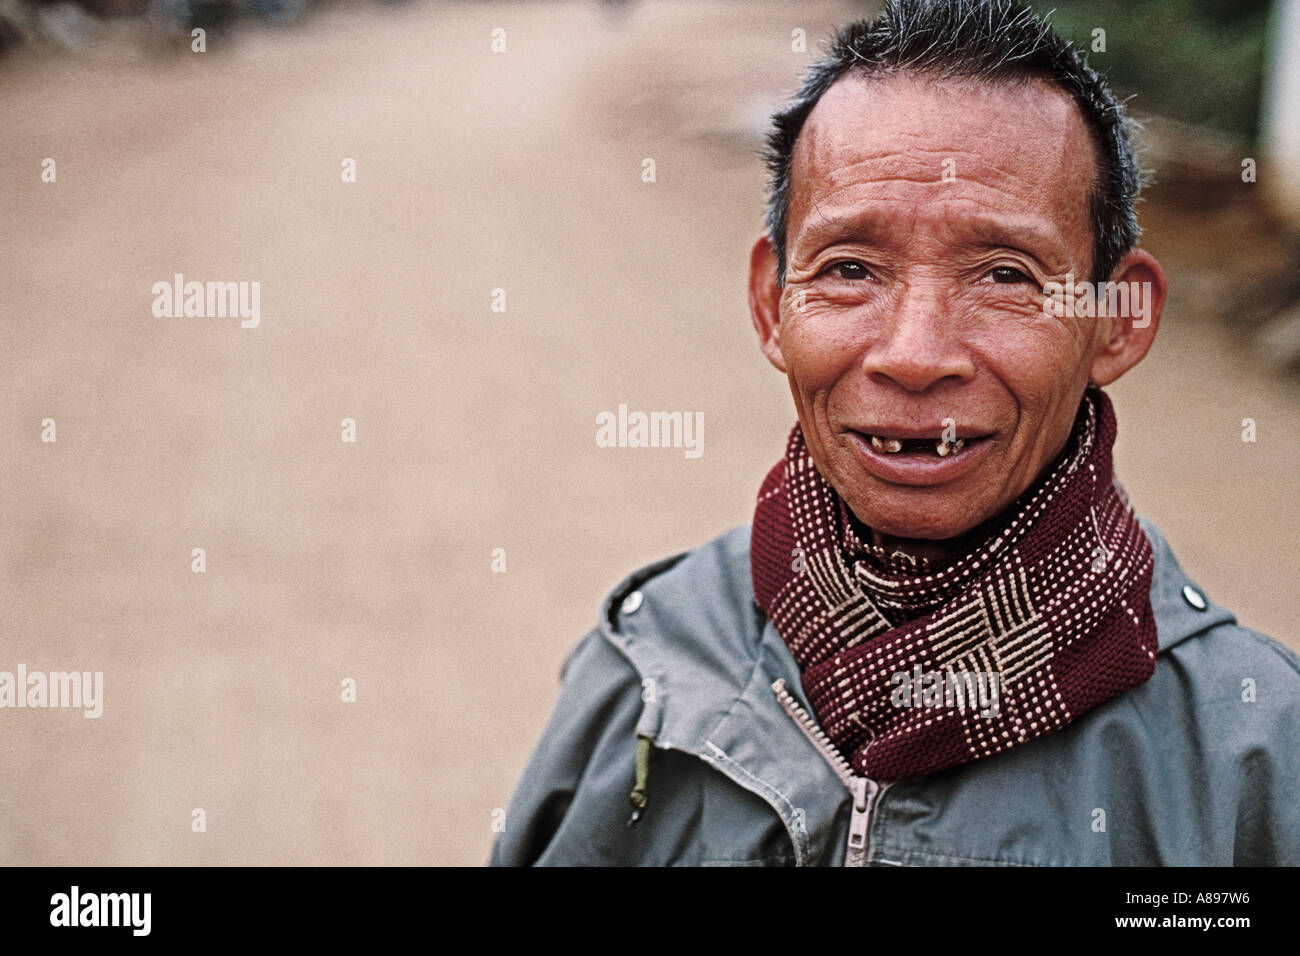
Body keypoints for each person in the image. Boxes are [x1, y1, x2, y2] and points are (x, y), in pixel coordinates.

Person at [490, 0, 1300, 867]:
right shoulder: (651, 670)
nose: (915, 356)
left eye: (1004, 275)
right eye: (849, 269)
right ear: (773, 303)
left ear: (1117, 320)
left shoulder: (1248, 754)